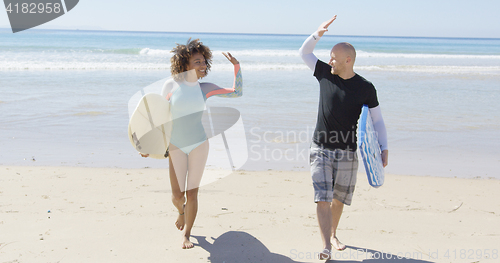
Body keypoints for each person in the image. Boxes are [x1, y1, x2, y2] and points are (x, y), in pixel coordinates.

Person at [299, 16, 388, 260]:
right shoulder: (325, 74)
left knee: (339, 199)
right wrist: (317, 33)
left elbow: (377, 121)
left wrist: (384, 147)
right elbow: (304, 53)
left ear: (348, 61)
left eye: (334, 58)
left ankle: (334, 233)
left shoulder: (365, 88)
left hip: (348, 151)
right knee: (322, 198)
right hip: (320, 148)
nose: (330, 61)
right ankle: (326, 245)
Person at [140, 38, 242, 249]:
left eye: (204, 61)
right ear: (185, 64)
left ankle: (186, 234)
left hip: (198, 144)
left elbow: (236, 92)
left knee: (192, 193)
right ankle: (181, 212)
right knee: (177, 196)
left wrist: (236, 66)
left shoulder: (205, 89)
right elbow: (160, 117)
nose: (203, 64)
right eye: (197, 61)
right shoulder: (171, 85)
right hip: (175, 145)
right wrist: (149, 145)